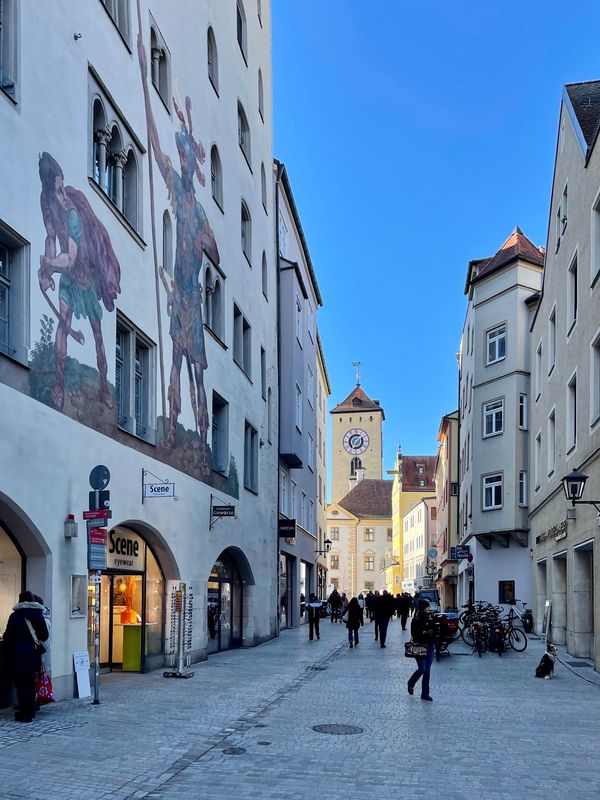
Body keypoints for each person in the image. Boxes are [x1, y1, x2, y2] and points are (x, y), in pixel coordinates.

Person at [138, 35, 220, 467]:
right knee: (175, 362)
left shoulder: (200, 210)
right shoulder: (177, 190)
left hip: (191, 298)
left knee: (197, 374)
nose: (184, 163)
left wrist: (207, 244)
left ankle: (202, 440)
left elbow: (218, 253)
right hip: (181, 294)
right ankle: (171, 430)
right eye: (183, 157)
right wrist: (142, 73)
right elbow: (153, 143)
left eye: (188, 158)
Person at [38, 152, 121, 411]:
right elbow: (51, 238)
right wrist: (47, 273)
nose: (61, 196)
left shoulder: (73, 214)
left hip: (86, 277)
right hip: (69, 278)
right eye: (56, 191)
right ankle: (59, 384)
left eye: (62, 188)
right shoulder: (47, 202)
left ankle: (104, 386)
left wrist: (49, 265)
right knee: (63, 325)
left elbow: (71, 258)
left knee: (98, 334)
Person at [3, 591, 49, 722]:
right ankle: (30, 712)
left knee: (20, 685)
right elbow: (44, 636)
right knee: (30, 685)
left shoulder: (15, 616)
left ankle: (24, 713)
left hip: (17, 656)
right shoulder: (39, 615)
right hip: (33, 656)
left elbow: (8, 636)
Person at [407, 599, 436, 701]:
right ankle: (411, 682)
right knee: (422, 668)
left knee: (427, 671)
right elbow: (414, 634)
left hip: (430, 646)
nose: (429, 608)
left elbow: (436, 630)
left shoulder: (431, 618)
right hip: (420, 647)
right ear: (423, 608)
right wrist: (424, 633)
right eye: (428, 607)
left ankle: (425, 694)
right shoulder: (416, 619)